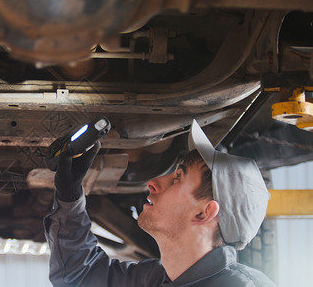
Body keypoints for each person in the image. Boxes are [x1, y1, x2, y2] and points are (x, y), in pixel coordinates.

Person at [44, 120, 277, 286]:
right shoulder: (157, 279)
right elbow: (80, 276)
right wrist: (69, 195)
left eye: (177, 178)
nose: (153, 182)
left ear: (204, 213)